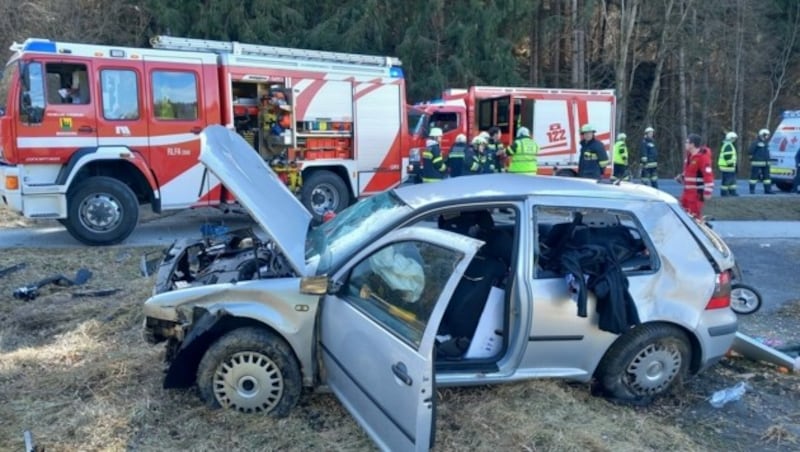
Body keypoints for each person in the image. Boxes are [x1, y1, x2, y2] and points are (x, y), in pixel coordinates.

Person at [676, 133, 714, 219]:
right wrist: (682, 176)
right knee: (682, 214)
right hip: (687, 192)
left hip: (696, 193)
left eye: (687, 142)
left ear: (692, 144)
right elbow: (690, 172)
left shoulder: (702, 158)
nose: (685, 144)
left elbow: (708, 176)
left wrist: (707, 192)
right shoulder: (689, 157)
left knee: (694, 216)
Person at [748, 128, 773, 194]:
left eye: (768, 135)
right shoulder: (755, 142)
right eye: (766, 135)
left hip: (766, 163)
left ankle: (768, 190)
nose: (767, 136)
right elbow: (750, 151)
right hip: (757, 163)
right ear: (762, 135)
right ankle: (752, 190)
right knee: (754, 177)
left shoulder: (766, 143)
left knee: (767, 178)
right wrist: (752, 160)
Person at [717, 131, 739, 196]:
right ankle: (724, 193)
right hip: (727, 166)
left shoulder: (728, 144)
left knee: (732, 180)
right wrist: (731, 164)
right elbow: (727, 156)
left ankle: (732, 191)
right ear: (731, 138)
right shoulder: (728, 145)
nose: (735, 140)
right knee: (727, 180)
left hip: (728, 166)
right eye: (734, 138)